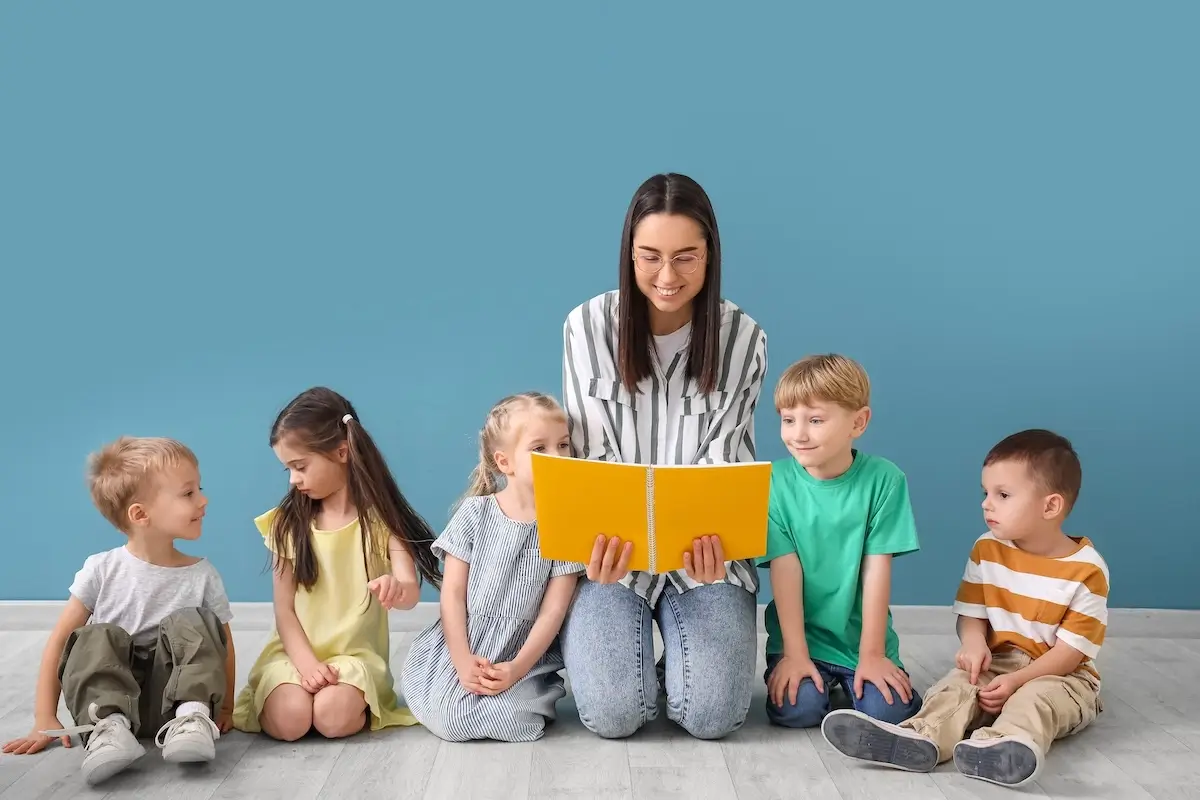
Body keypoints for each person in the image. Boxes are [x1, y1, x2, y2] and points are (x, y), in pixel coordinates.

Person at [560, 172, 768, 740]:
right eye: (650, 257)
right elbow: (585, 455)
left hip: (707, 557)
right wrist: (590, 547)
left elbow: (724, 458)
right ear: (628, 255)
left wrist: (713, 549)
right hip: (609, 558)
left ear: (710, 255)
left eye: (686, 258)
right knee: (610, 717)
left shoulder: (744, 338)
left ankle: (675, 672)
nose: (668, 277)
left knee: (714, 718)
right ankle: (641, 673)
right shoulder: (587, 327)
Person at [822, 430, 1108, 788]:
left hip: (1063, 676)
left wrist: (1019, 681)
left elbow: (1069, 654)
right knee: (957, 686)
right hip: (999, 660)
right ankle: (919, 737)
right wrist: (974, 644)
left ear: (1050, 506)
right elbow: (973, 612)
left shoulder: (1087, 570)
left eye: (1002, 495)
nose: (986, 504)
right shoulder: (988, 548)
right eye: (985, 493)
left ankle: (1003, 748)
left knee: (1036, 700)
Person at [1, 437, 234, 786]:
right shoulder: (101, 569)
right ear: (140, 514)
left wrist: (225, 708)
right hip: (113, 704)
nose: (203, 500)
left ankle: (192, 717)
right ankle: (108, 731)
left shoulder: (202, 574)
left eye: (198, 489)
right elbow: (61, 643)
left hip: (171, 703)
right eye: (188, 494)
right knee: (94, 636)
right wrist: (43, 716)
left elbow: (223, 646)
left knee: (196, 623)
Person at [232, 387, 442, 740]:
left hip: (354, 660)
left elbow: (409, 594)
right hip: (294, 655)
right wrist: (307, 666)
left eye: (300, 467)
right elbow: (284, 611)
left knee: (333, 719)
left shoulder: (382, 522)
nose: (293, 479)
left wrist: (397, 588)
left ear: (341, 452)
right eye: (287, 469)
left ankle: (339, 702)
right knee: (291, 721)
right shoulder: (287, 524)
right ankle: (282, 698)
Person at [401, 392, 585, 742]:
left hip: (523, 651)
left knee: (511, 719)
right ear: (505, 462)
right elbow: (453, 596)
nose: (558, 457)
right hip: (466, 642)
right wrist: (462, 659)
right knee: (448, 715)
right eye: (540, 449)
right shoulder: (475, 514)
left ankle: (525, 696)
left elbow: (553, 612)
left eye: (563, 445)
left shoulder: (564, 526)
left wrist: (516, 669)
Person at [759, 354, 923, 730]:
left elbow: (876, 568)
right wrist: (795, 654)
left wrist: (872, 654)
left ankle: (854, 675)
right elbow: (785, 571)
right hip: (801, 639)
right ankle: (813, 673)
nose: (798, 434)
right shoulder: (773, 483)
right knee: (796, 711)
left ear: (858, 422)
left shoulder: (885, 480)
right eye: (788, 420)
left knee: (890, 714)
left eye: (815, 420)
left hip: (859, 640)